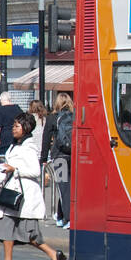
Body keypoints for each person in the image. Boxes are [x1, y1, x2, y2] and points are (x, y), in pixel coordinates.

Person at [0, 112, 65, 260]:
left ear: (26, 128)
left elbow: (35, 171)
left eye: (17, 126)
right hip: (13, 194)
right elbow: (5, 170)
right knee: (5, 229)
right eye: (14, 126)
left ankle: (54, 255)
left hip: (25, 197)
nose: (13, 129)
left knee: (30, 235)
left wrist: (15, 169)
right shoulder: (14, 145)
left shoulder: (29, 147)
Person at [41, 93, 74, 229]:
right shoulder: (75, 117)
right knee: (70, 187)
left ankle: (68, 219)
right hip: (73, 155)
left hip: (59, 156)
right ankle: (60, 216)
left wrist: (43, 158)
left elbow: (46, 139)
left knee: (63, 187)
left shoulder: (52, 118)